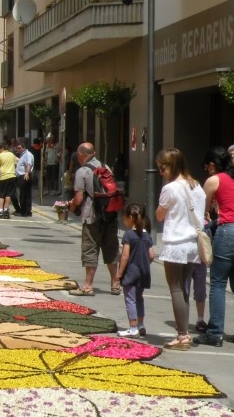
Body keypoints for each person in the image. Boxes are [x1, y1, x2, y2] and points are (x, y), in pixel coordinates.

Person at [194, 146, 234, 347]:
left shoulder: (214, 180)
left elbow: (202, 212)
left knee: (218, 283)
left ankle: (215, 333)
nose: (207, 171)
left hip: (230, 230)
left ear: (212, 165)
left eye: (206, 167)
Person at [154, 147, 206, 350]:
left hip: (176, 243)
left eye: (162, 167)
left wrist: (162, 208)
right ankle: (184, 333)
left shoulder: (171, 188)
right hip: (192, 244)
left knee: (175, 288)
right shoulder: (197, 186)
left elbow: (159, 215)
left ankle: (183, 335)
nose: (160, 172)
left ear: (172, 165)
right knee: (183, 288)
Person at [67, 143, 119, 296]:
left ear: (80, 154)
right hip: (110, 214)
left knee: (90, 248)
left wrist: (72, 206)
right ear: (94, 153)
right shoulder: (106, 167)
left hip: (92, 215)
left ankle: (88, 285)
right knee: (111, 247)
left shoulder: (82, 171)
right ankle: (115, 283)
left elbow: (78, 198)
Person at [115, 203, 154, 338]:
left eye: (124, 218)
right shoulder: (146, 235)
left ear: (130, 217)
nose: (124, 221)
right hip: (144, 273)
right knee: (139, 298)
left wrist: (119, 273)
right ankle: (140, 324)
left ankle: (133, 327)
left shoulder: (129, 235)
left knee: (130, 299)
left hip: (131, 272)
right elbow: (151, 255)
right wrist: (144, 264)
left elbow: (125, 256)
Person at [0, 143, 17, 219]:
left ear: (1, 148)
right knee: (8, 194)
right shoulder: (12, 155)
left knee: (1, 195)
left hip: (4, 176)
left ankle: (0, 211)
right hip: (12, 176)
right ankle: (6, 210)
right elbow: (15, 164)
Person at [12, 139, 34, 217]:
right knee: (26, 194)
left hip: (24, 176)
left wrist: (27, 173)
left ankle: (24, 211)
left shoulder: (27, 154)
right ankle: (26, 211)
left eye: (19, 148)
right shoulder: (23, 155)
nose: (18, 150)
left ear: (24, 147)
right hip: (22, 175)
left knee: (24, 194)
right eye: (17, 148)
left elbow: (29, 164)